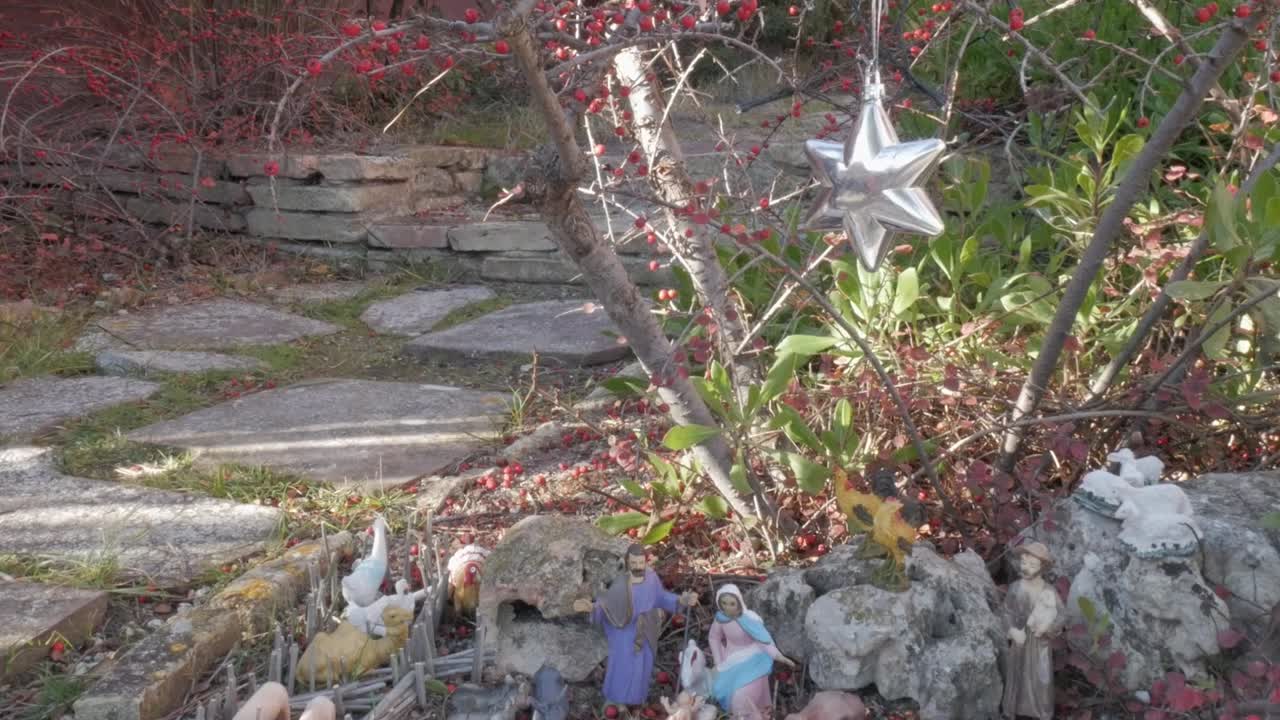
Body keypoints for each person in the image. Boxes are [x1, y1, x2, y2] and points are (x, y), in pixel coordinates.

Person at [573, 545, 698, 707]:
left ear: (645, 562)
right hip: (625, 632)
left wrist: (681, 600)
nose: (638, 567)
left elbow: (661, 597)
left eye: (641, 562)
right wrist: (591, 607)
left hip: (646, 629)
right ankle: (615, 699)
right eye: (634, 563)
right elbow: (607, 604)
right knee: (622, 665)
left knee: (643, 665)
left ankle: (636, 699)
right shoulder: (621, 584)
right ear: (627, 563)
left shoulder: (652, 578)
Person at [707, 584, 795, 719]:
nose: (727, 607)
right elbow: (714, 637)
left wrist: (779, 656)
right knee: (722, 687)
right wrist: (718, 661)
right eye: (724, 603)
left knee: (742, 692)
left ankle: (754, 713)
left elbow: (763, 640)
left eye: (732, 604)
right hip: (731, 658)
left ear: (739, 603)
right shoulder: (720, 619)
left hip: (754, 657)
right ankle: (735, 713)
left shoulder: (750, 619)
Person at [1002, 542, 1064, 720]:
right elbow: (1005, 612)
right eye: (1023, 563)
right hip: (1020, 641)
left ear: (1042, 567)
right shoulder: (1015, 588)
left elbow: (1062, 616)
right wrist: (1013, 630)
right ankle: (1014, 709)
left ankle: (1041, 712)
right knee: (1017, 674)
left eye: (1032, 565)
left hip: (1039, 644)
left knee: (1040, 678)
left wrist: (1047, 628)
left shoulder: (1048, 591)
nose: (1026, 568)